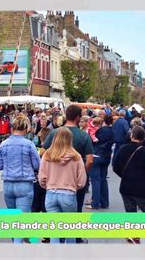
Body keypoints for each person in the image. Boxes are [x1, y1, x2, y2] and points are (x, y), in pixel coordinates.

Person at [42, 104, 94, 244]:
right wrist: (81, 176)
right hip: (73, 183)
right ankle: (75, 238)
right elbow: (89, 160)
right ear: (78, 117)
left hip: (53, 184)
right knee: (74, 213)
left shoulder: (55, 133)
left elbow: (43, 152)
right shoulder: (83, 136)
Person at [38, 127, 87, 243]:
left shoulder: (47, 155)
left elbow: (41, 177)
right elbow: (82, 180)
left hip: (51, 193)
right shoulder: (76, 157)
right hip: (68, 194)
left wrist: (47, 185)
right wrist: (76, 186)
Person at [0, 114, 40, 243]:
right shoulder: (29, 145)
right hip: (24, 184)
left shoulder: (3, 144)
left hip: (8, 184)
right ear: (25, 129)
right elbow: (37, 165)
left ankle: (15, 244)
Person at [113, 126, 145, 244]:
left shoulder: (123, 149)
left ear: (132, 136)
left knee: (130, 212)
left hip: (126, 186)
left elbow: (115, 166)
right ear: (143, 137)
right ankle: (136, 235)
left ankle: (133, 234)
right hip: (142, 188)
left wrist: (125, 176)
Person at [86, 114, 114, 210]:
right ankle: (104, 202)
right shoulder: (112, 131)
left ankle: (95, 203)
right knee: (103, 179)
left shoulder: (100, 131)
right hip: (106, 156)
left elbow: (93, 141)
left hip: (97, 155)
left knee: (95, 180)